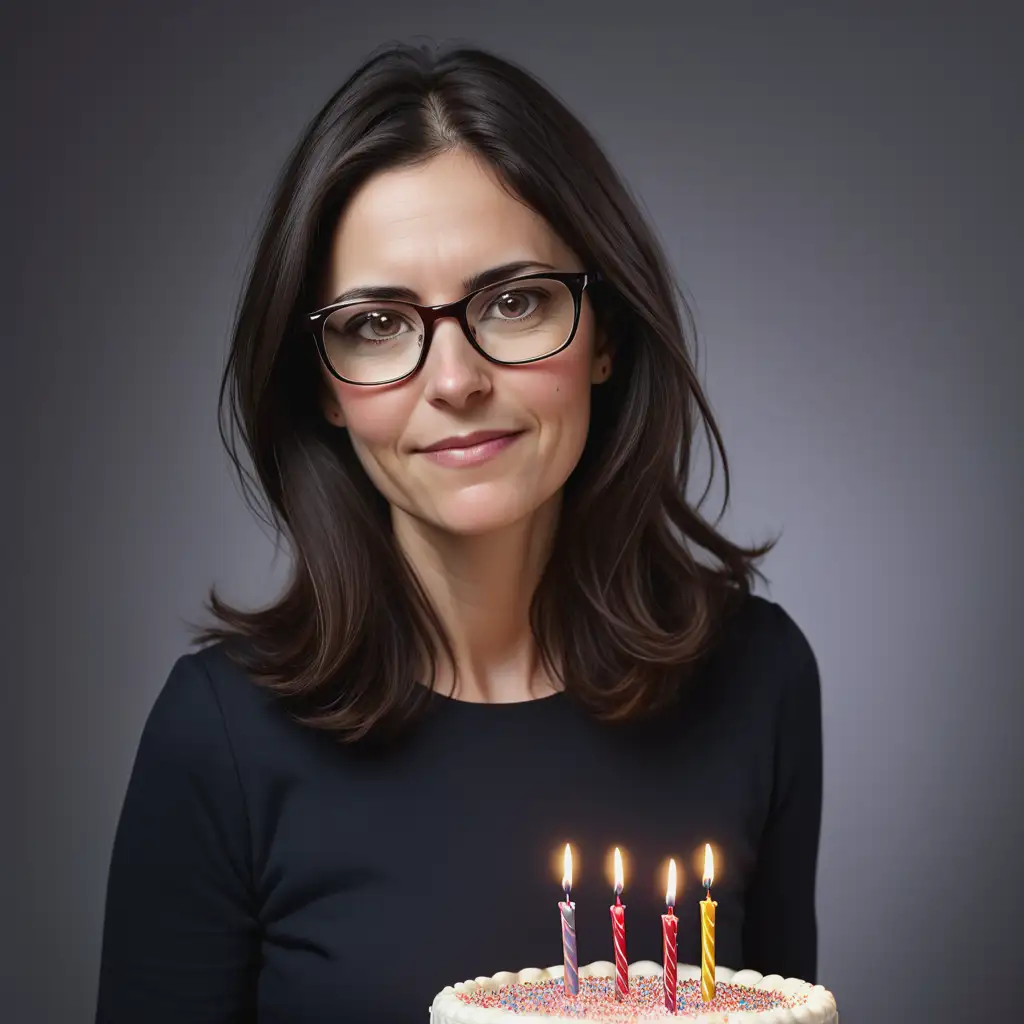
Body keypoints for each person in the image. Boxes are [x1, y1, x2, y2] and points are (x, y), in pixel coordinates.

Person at [94, 39, 822, 1023]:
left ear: (602, 334)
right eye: (377, 324)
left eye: (513, 301)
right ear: (325, 387)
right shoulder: (218, 737)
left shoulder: (755, 680)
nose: (454, 380)